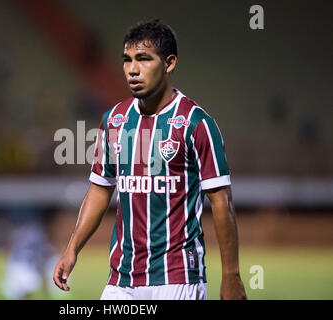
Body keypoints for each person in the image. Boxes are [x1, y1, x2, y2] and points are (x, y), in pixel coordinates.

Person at [53, 19, 247, 300]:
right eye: (127, 60)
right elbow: (100, 189)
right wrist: (72, 249)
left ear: (169, 63)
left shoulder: (196, 123)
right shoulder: (114, 120)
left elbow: (221, 201)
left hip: (178, 278)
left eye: (143, 59)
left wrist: (231, 275)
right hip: (122, 279)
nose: (132, 69)